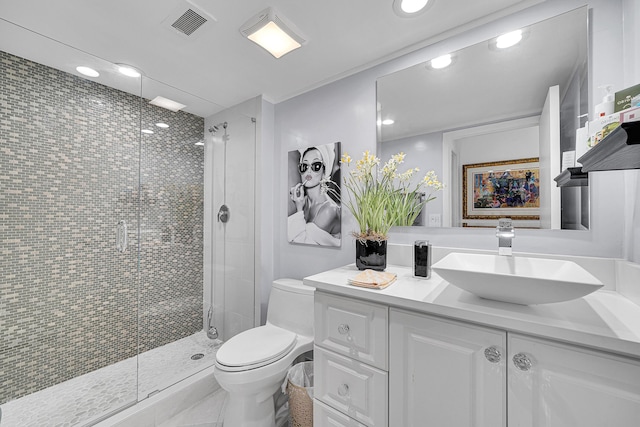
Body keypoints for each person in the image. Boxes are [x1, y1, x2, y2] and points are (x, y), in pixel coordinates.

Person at [288, 145, 341, 246]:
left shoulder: (329, 210)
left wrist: (299, 210)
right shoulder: (303, 202)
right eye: (304, 166)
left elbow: (303, 245)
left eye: (316, 166)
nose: (308, 171)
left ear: (324, 171)